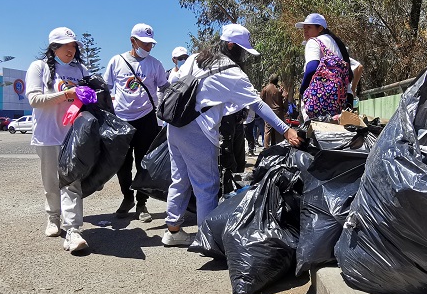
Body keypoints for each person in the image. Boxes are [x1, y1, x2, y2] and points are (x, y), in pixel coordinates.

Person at [162, 24, 302, 247]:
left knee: (180, 178)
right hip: (198, 129)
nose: (244, 55)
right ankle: (207, 241)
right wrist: (286, 129)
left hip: (175, 126)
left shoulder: (196, 58)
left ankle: (172, 230)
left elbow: (175, 84)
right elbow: (258, 104)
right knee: (207, 186)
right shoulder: (233, 72)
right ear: (231, 46)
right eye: (242, 50)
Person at [25, 26, 90, 254]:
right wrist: (66, 95)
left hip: (72, 135)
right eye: (66, 46)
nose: (71, 50)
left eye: (73, 46)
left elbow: (86, 99)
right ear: (54, 47)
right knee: (51, 183)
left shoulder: (80, 70)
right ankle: (53, 218)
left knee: (72, 182)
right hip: (47, 135)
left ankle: (73, 231)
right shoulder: (39, 67)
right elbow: (34, 99)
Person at [103, 23, 169, 223]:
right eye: (145, 43)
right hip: (122, 119)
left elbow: (165, 88)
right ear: (133, 41)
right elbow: (106, 89)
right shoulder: (117, 61)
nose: (149, 47)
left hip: (147, 118)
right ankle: (127, 198)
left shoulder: (155, 64)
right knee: (122, 163)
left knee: (144, 163)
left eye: (151, 44)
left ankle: (142, 203)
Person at [296, 13, 352, 120]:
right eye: (304, 28)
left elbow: (312, 68)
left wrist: (303, 91)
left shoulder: (313, 42)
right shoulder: (336, 44)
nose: (305, 31)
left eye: (309, 27)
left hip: (319, 102)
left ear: (320, 28)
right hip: (341, 101)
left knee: (315, 134)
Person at [259, 74, 286, 146]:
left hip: (268, 112)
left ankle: (266, 147)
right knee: (279, 130)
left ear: (270, 80)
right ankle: (280, 146)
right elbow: (284, 99)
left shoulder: (265, 89)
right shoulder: (279, 89)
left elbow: (261, 99)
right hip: (278, 112)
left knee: (268, 130)